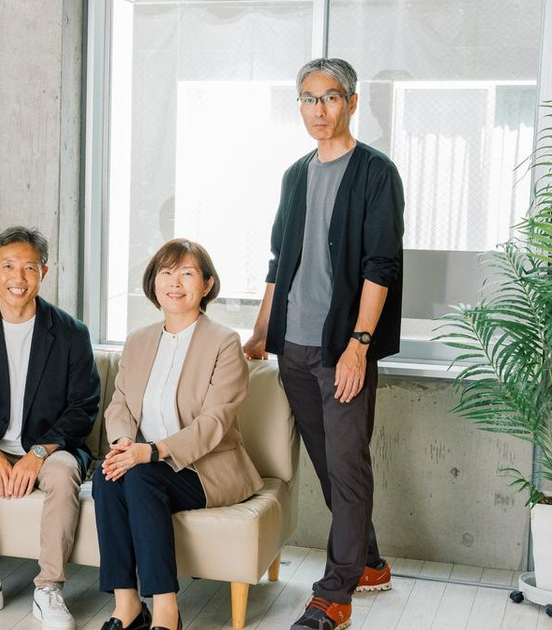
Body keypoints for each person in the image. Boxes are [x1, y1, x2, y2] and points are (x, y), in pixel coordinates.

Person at [243, 58, 404, 630]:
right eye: (308, 99)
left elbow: (381, 265)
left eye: (330, 97)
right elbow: (278, 260)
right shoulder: (295, 175)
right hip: (294, 347)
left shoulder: (376, 173)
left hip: (342, 349)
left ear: (352, 102)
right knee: (330, 466)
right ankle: (370, 563)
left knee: (347, 466)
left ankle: (334, 596)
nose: (319, 109)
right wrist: (262, 331)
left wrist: (359, 345)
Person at [93, 239, 262, 630]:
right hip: (147, 462)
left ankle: (166, 610)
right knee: (107, 476)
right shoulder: (138, 341)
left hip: (206, 468)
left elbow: (214, 421)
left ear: (207, 285)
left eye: (187, 273)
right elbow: (120, 404)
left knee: (140, 478)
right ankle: (127, 605)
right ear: (154, 283)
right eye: (166, 273)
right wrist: (123, 444)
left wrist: (151, 452)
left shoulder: (224, 342)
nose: (175, 282)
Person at [0, 226, 101, 630]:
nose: (18, 277)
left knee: (63, 474)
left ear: (44, 272)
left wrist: (38, 453)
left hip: (51, 449)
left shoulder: (71, 334)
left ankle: (49, 589)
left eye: (29, 267)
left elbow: (83, 407)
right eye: (8, 266)